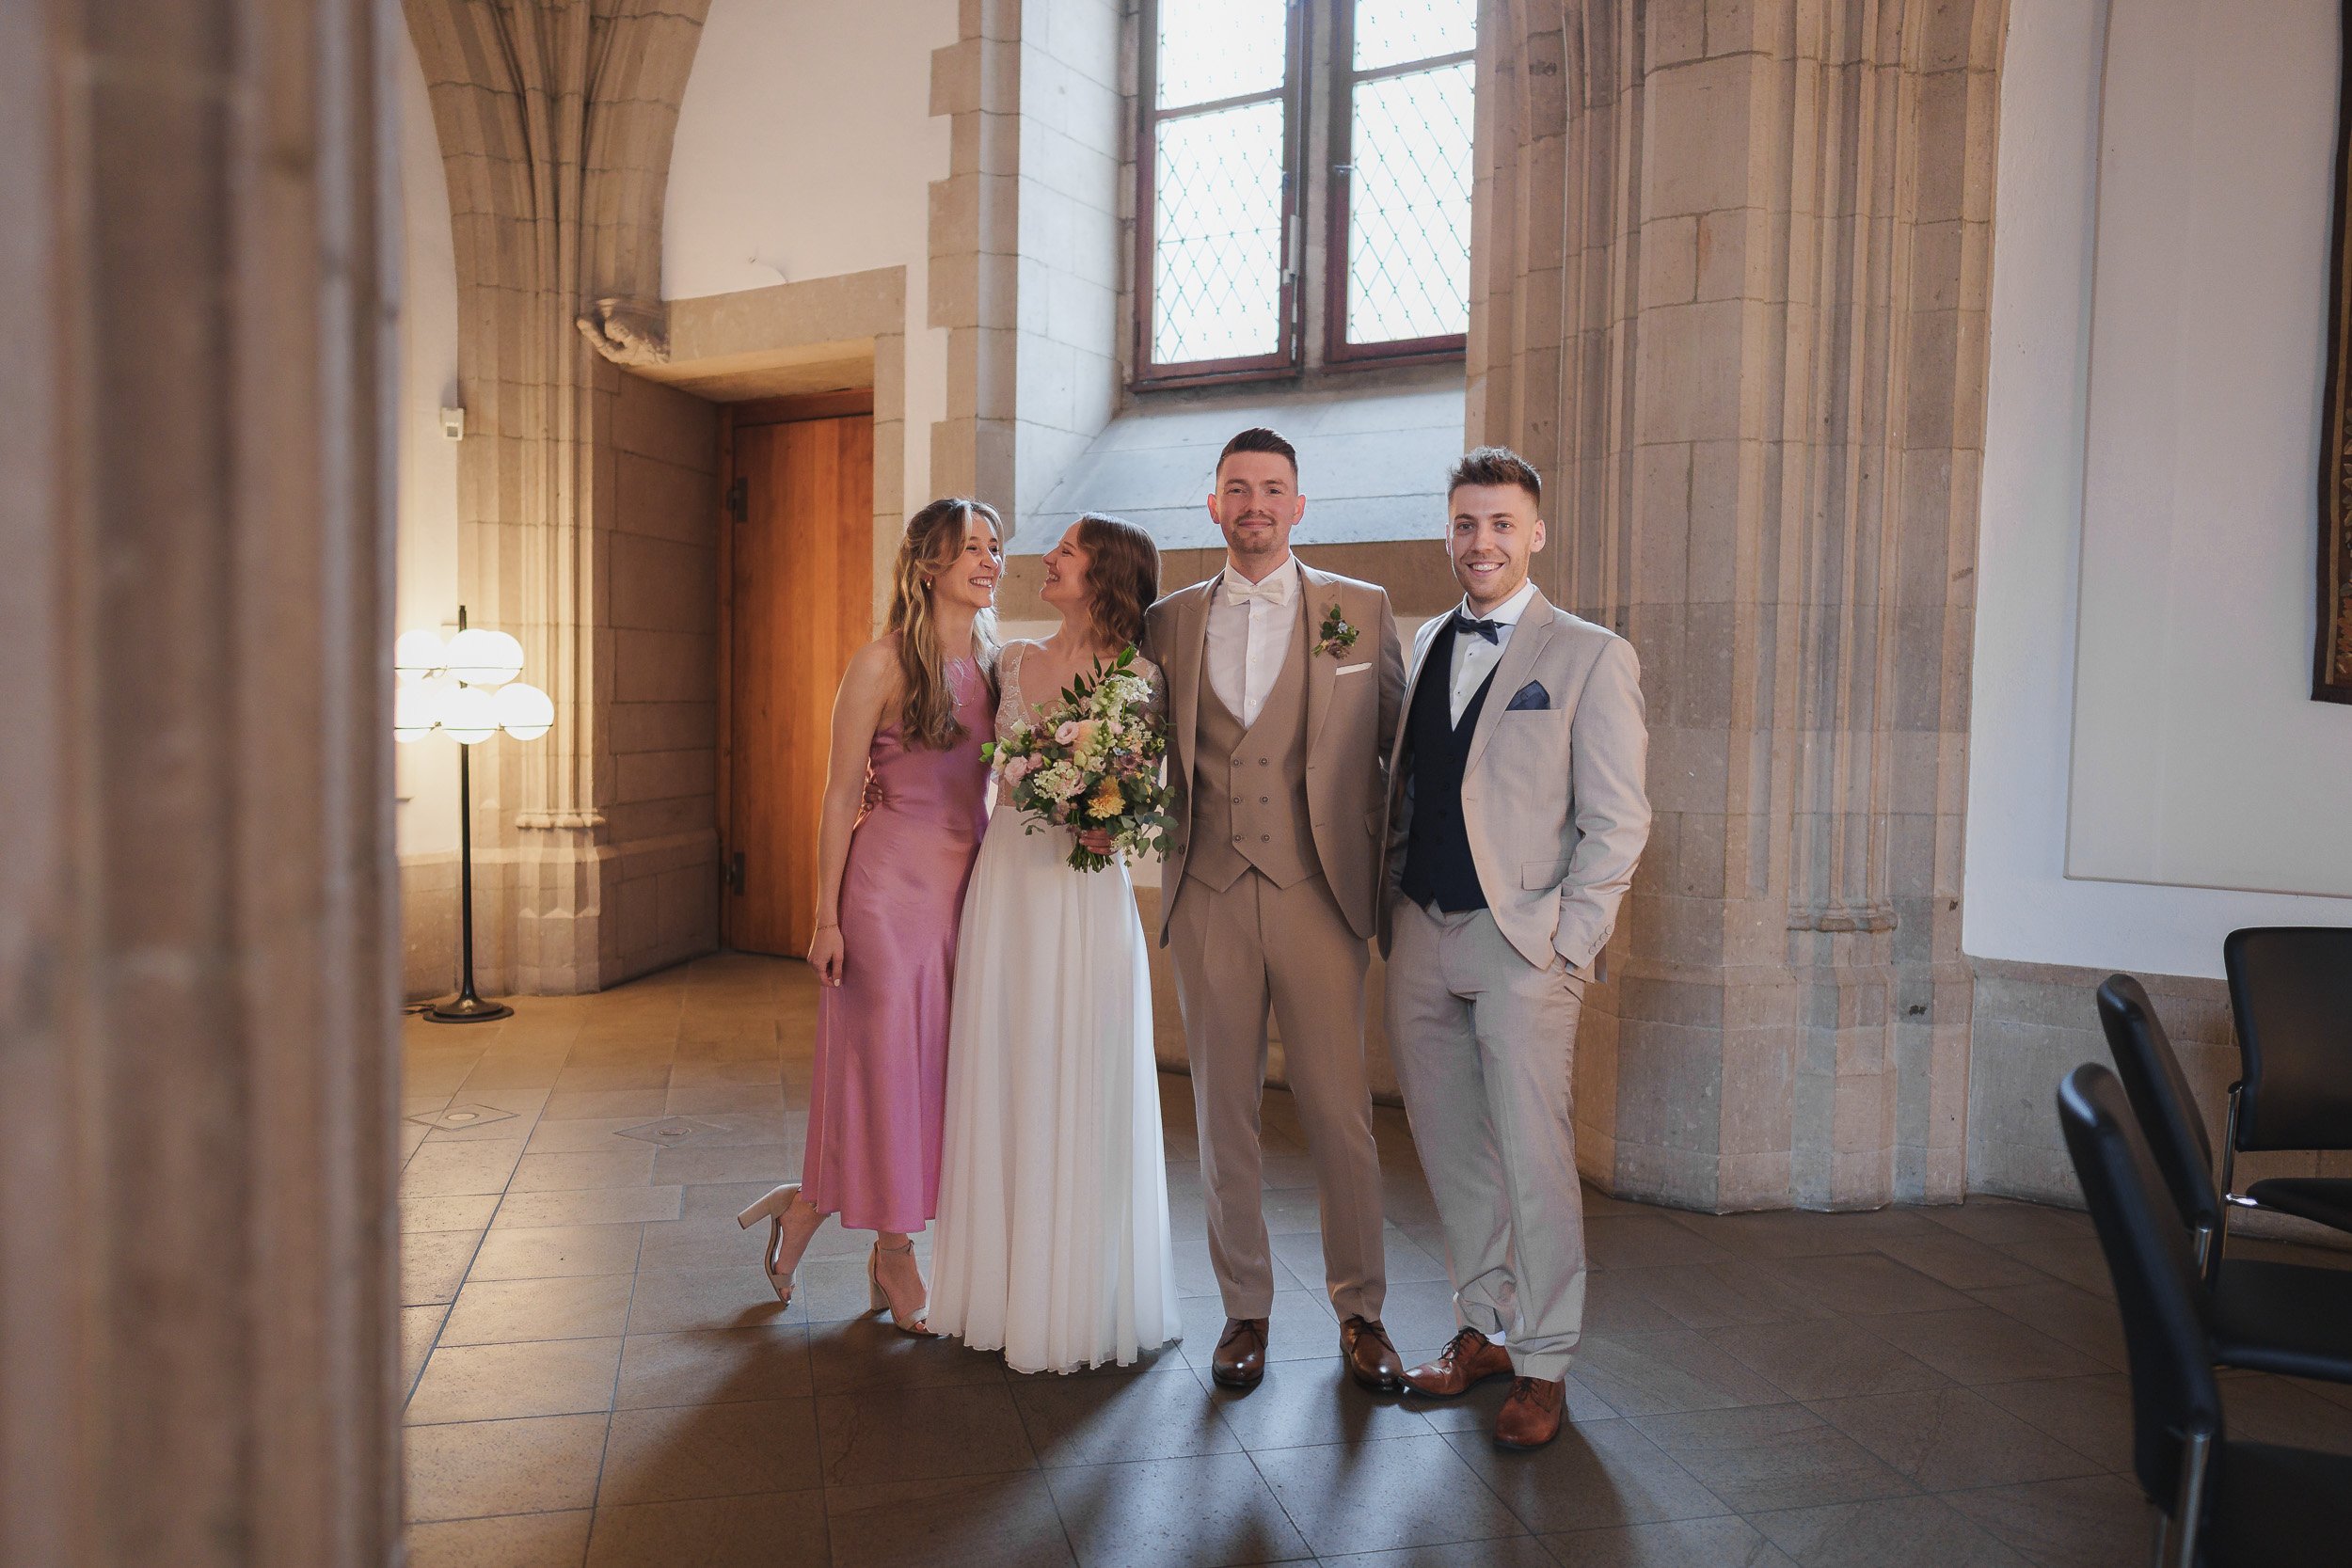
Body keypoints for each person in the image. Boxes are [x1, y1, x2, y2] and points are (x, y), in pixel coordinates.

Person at [1382, 447, 1650, 1449]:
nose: (1481, 540)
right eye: (1465, 522)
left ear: (1535, 533)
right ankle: (1484, 1326)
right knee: (1452, 1152)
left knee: (1534, 1159)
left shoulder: (1590, 654)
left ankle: (1543, 1360)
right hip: (1421, 926)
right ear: (1448, 533)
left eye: (1500, 523)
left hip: (1524, 941)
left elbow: (1618, 821)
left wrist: (1569, 943)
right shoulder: (1427, 640)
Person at [1141, 427, 1408, 1393]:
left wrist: (1394, 883)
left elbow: (1401, 756)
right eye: (1237, 487)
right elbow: (1132, 742)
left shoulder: (1361, 610)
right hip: (1207, 891)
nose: (1254, 504)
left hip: (1319, 892)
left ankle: (1361, 1309)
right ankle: (1243, 1309)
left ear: (1298, 505)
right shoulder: (1167, 621)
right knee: (1224, 1114)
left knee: (1339, 1112)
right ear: (1214, 504)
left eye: (1272, 488)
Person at [736, 498, 1004, 1332]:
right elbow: (838, 793)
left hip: (970, 888)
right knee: (889, 1069)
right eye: (970, 547)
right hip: (885, 893)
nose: (989, 560)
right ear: (927, 565)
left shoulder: (998, 664)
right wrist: (826, 917)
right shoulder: (881, 663)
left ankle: (807, 1206)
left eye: (995, 546)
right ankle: (894, 1251)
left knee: (936, 1073)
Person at [928, 513, 1182, 1373]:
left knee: (1079, 1061)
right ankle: (999, 1289)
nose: (1047, 558)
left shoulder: (1139, 676)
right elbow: (964, 765)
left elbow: (1144, 790)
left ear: (1102, 571)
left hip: (1083, 891)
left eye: (1066, 551)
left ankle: (1076, 1295)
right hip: (1008, 883)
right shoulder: (1010, 661)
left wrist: (1115, 820)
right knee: (1006, 1062)